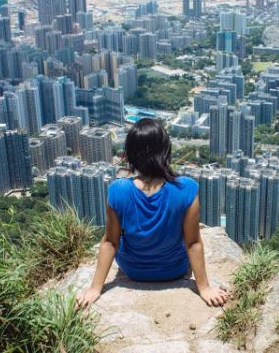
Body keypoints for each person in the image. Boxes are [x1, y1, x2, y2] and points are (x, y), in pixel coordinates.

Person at [76, 118, 228, 308]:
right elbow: (193, 242)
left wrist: (95, 289)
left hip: (133, 269)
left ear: (130, 155)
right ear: (166, 151)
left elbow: (110, 241)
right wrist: (204, 288)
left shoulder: (118, 190)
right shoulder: (186, 189)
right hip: (174, 269)